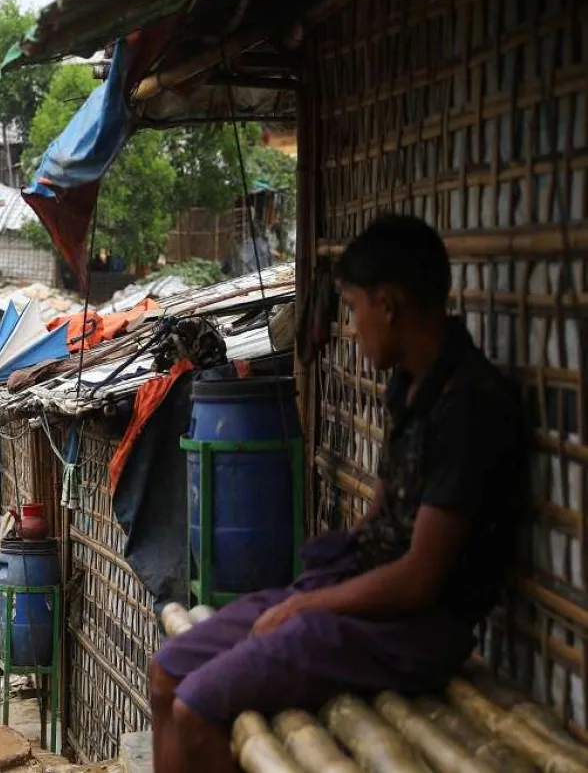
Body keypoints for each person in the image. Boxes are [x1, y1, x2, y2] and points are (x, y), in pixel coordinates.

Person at [149, 214, 529, 773]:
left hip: (412, 630)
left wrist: (307, 605)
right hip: (357, 596)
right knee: (167, 675)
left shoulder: (470, 405)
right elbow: (379, 516)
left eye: (353, 308)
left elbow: (420, 579)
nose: (352, 326)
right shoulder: (411, 383)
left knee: (197, 710)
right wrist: (313, 587)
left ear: (389, 304)